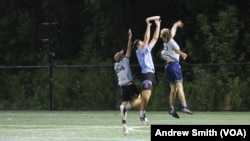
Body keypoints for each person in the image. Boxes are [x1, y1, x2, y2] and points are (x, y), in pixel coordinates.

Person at [160, 20, 193, 119]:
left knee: (173, 89)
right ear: (169, 34)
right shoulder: (171, 41)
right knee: (180, 86)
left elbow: (172, 33)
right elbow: (175, 49)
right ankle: (184, 106)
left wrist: (175, 25)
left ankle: (172, 108)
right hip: (174, 65)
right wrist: (182, 53)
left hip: (168, 67)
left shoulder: (166, 41)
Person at [114, 29, 142, 136]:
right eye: (121, 53)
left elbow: (121, 54)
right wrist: (130, 37)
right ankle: (127, 107)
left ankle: (124, 126)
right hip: (130, 85)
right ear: (121, 57)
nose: (123, 53)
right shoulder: (125, 60)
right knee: (139, 100)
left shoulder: (115, 66)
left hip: (123, 87)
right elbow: (129, 48)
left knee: (123, 106)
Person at [133, 17, 161, 124]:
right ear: (138, 46)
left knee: (147, 96)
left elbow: (154, 38)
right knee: (146, 96)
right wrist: (148, 26)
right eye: (140, 43)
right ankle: (141, 115)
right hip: (146, 74)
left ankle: (142, 115)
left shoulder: (146, 49)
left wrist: (158, 26)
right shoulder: (139, 51)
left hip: (151, 74)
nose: (143, 43)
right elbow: (147, 38)